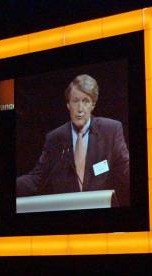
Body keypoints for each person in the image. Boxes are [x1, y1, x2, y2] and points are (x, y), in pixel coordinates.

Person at [16, 74, 130, 206]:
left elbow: (125, 168)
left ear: (93, 105)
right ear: (68, 105)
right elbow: (38, 178)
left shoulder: (110, 130)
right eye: (75, 101)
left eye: (85, 101)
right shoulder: (55, 138)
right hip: (68, 212)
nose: (80, 109)